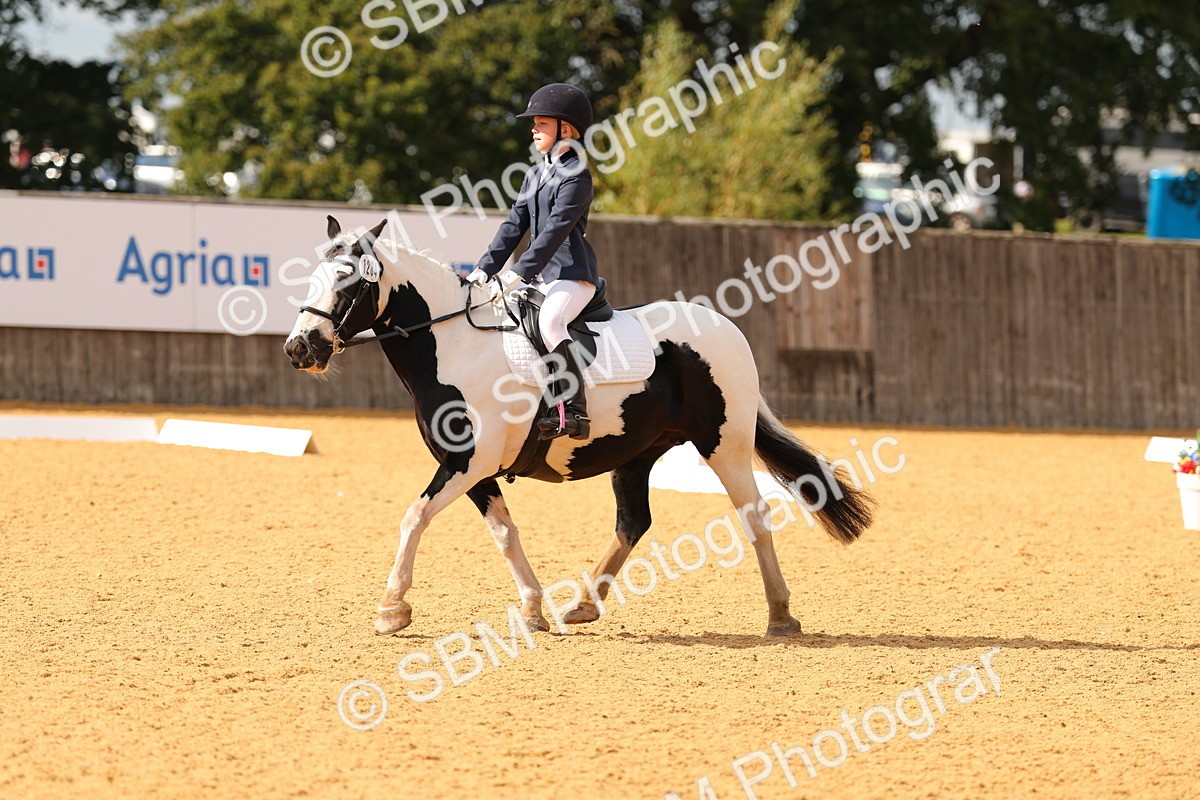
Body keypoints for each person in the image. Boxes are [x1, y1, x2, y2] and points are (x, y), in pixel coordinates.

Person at [469, 83, 602, 441]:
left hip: (571, 274)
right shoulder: (535, 174)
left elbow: (555, 232)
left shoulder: (577, 174)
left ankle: (575, 410)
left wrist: (518, 272)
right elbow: (514, 226)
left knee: (551, 322)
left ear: (567, 129)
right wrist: (484, 268)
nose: (533, 129)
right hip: (539, 276)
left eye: (541, 123)